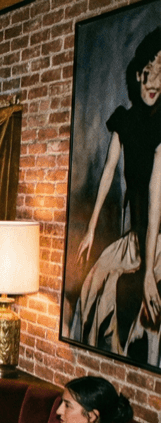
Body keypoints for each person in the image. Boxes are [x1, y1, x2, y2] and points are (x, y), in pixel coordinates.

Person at [70, 29, 161, 361]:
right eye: (151, 70)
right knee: (93, 284)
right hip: (134, 237)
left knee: (137, 303)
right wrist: (91, 229)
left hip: (157, 238)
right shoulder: (124, 119)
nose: (156, 81)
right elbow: (108, 170)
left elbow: (156, 197)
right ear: (139, 74)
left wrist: (149, 270)